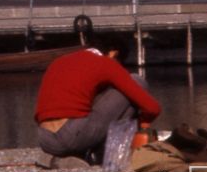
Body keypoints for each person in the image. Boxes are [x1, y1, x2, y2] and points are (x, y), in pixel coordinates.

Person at [34, 34, 161, 164]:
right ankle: (110, 155)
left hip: (45, 139)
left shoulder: (59, 61)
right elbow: (153, 108)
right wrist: (143, 121)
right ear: (113, 53)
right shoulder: (105, 62)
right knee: (137, 81)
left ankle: (70, 156)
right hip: (70, 136)